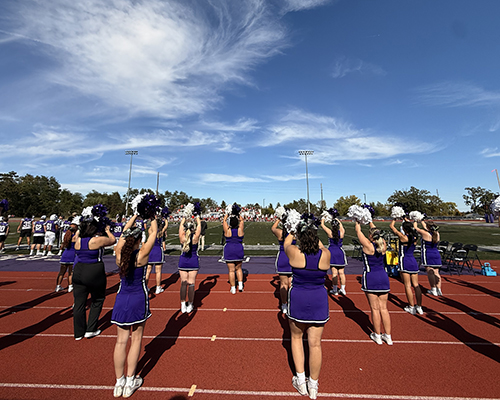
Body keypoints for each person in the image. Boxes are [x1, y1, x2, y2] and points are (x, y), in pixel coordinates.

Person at [111, 214, 157, 398]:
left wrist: (134, 216)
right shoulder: (142, 254)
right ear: (139, 240)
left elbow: (122, 234)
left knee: (120, 341)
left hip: (121, 298)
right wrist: (151, 214)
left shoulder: (119, 254)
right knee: (136, 340)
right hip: (138, 298)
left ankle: (118, 382)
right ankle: (130, 381)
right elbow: (154, 231)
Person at [284, 216, 330, 399]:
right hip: (319, 299)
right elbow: (320, 246)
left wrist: (294, 228)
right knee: (315, 344)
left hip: (298, 298)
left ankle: (301, 381)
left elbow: (287, 242)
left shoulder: (294, 252)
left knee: (296, 339)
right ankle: (313, 386)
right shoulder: (325, 254)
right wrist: (312, 229)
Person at [72, 211, 116, 340]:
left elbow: (76, 235)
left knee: (79, 302)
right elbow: (112, 240)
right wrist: (107, 230)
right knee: (97, 299)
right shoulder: (96, 240)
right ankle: (91, 329)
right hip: (94, 270)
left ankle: (78, 332)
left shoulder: (77, 240)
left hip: (78, 270)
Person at [355, 221, 392, 345]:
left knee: (375, 309)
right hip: (383, 277)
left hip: (371, 277)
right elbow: (377, 234)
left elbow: (358, 231)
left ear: (370, 236)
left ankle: (377, 335)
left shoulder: (368, 246)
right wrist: (370, 221)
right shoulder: (383, 245)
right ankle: (388, 336)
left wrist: (357, 221)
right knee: (384, 308)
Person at [389, 219, 423, 315]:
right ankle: (419, 307)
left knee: (408, 285)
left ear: (404, 229)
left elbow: (392, 227)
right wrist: (407, 219)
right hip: (413, 261)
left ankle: (411, 307)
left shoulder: (402, 237)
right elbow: (414, 228)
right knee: (416, 285)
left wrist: (394, 218)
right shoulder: (415, 237)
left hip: (405, 261)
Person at [178, 216, 201, 313]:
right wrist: (197, 218)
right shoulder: (195, 238)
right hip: (193, 261)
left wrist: (184, 218)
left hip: (183, 261)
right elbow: (199, 225)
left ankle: (183, 304)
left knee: (183, 284)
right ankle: (190, 304)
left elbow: (180, 226)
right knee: (191, 284)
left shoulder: (182, 238)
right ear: (193, 228)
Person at [271, 217, 294, 314]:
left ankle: (284, 305)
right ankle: (291, 303)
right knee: (291, 284)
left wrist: (279, 219)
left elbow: (273, 228)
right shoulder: (294, 234)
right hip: (293, 257)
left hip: (282, 258)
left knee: (283, 284)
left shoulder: (279, 233)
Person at [320, 217, 347, 295]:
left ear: (332, 226)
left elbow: (322, 225)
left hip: (332, 252)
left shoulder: (330, 232)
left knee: (334, 273)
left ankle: (335, 290)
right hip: (340, 252)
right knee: (341, 273)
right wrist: (338, 220)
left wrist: (323, 219)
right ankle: (343, 289)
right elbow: (342, 227)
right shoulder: (341, 232)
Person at [415, 220, 442, 296]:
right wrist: (422, 220)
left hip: (428, 254)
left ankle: (433, 289)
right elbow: (426, 227)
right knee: (436, 272)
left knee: (430, 272)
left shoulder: (425, 233)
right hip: (436, 253)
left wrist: (415, 220)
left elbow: (415, 228)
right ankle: (439, 289)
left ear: (427, 227)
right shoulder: (436, 233)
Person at [222, 213, 245, 294]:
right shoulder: (240, 230)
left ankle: (233, 288)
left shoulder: (228, 230)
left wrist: (227, 214)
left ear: (230, 223)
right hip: (239, 250)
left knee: (231, 271)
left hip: (229, 250)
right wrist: (237, 213)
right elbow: (242, 220)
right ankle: (241, 285)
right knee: (239, 268)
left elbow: (224, 221)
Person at [146, 216, 168, 294]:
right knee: (158, 271)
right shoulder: (161, 231)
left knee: (148, 271)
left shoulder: (150, 231)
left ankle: (145, 286)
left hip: (151, 251)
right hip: (158, 251)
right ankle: (158, 287)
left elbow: (151, 227)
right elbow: (166, 225)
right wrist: (165, 217)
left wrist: (153, 218)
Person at [56, 219, 79, 292]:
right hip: (72, 255)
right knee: (70, 273)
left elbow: (62, 246)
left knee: (61, 272)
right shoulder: (74, 236)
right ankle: (70, 286)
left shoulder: (66, 236)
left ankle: (58, 286)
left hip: (65, 254)